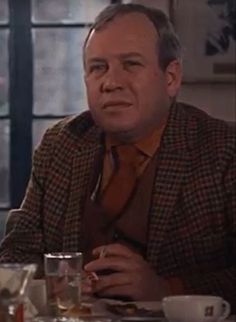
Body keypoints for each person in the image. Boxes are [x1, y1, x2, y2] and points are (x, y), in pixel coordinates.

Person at [0, 3, 235, 311]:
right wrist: (55, 284)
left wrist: (166, 289)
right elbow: (17, 253)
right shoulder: (62, 144)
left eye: (131, 64)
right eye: (98, 67)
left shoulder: (224, 150)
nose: (111, 83)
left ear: (171, 77)